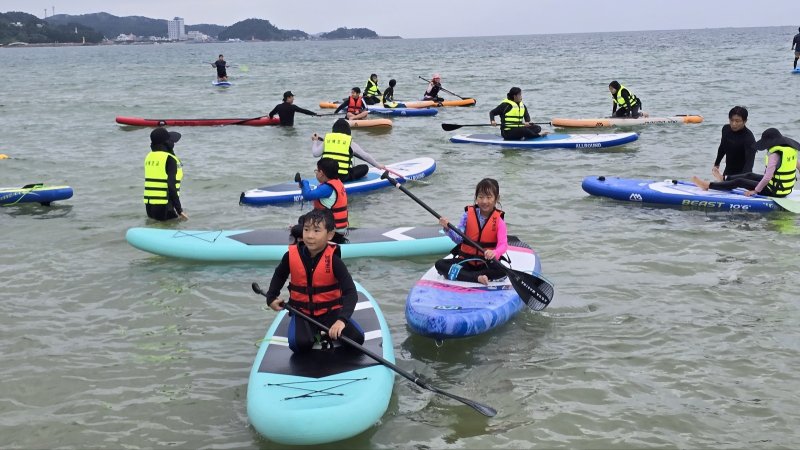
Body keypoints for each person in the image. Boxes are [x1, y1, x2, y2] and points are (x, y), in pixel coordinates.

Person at [264, 208, 365, 353]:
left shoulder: (334, 261)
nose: (310, 236)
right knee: (299, 345)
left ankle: (326, 331)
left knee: (356, 340)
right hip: (302, 312)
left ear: (329, 235)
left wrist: (341, 321)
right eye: (306, 230)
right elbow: (279, 274)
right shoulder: (290, 256)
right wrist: (271, 297)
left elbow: (351, 293)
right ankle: (318, 334)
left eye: (316, 231)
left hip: (331, 312)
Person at [434, 178, 508, 286]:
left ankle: (466, 275)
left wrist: (494, 253)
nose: (484, 201)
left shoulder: (499, 221)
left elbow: (503, 245)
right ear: (476, 198)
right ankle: (477, 278)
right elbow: (459, 239)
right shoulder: (467, 216)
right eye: (481, 197)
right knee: (440, 264)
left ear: (496, 198)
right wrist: (447, 228)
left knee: (502, 272)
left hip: (485, 264)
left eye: (489, 197)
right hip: (467, 261)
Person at [692, 128, 799, 198]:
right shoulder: (789, 151)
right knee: (750, 175)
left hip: (774, 191)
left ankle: (707, 185)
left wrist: (755, 191)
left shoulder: (774, 155)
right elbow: (798, 165)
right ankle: (723, 178)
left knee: (740, 181)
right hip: (785, 189)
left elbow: (767, 177)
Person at [293, 157, 349, 244]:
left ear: (321, 173)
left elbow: (308, 195)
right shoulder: (337, 182)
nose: (316, 173)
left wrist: (305, 183)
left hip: (333, 232)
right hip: (337, 227)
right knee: (303, 219)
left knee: (295, 230)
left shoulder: (327, 188)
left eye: (317, 171)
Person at [311, 118, 385, 182]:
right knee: (365, 167)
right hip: (342, 177)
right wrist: (378, 166)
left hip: (326, 176)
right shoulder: (350, 142)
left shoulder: (327, 140)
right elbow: (365, 156)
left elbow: (315, 153)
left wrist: (315, 141)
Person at [143, 127, 188, 221]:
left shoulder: (149, 156)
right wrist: (179, 210)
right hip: (165, 206)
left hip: (149, 206)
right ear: (166, 143)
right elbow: (171, 186)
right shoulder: (170, 159)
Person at [711, 106, 756, 180]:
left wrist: (743, 181)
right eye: (731, 120)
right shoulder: (725, 129)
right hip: (728, 172)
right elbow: (722, 147)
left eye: (737, 121)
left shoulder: (749, 138)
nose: (734, 124)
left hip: (743, 175)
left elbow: (749, 164)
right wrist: (716, 164)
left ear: (745, 121)